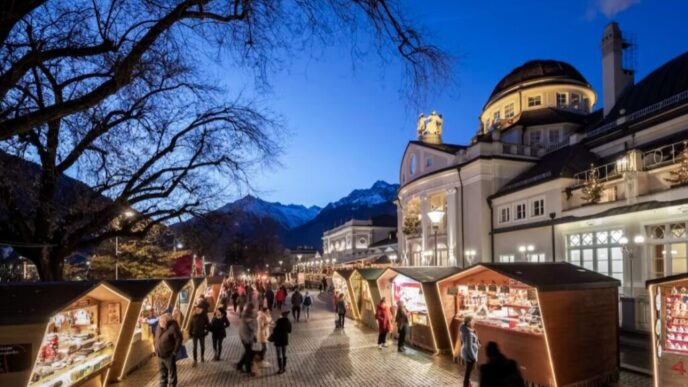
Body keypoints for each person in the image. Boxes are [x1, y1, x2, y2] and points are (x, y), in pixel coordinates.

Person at [154, 313, 182, 387]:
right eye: (160, 321)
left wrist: (174, 352)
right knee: (162, 371)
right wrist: (155, 348)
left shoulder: (173, 328)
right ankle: (163, 384)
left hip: (169, 355)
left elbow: (179, 340)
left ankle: (172, 384)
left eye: (163, 321)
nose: (161, 323)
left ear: (167, 321)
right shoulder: (158, 327)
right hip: (160, 355)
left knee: (171, 371)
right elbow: (156, 338)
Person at [460, 315, 480, 387]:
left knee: (468, 370)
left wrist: (476, 343)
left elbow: (470, 343)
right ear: (469, 322)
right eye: (473, 320)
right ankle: (466, 384)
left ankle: (467, 383)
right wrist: (474, 357)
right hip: (469, 354)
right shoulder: (469, 333)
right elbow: (469, 347)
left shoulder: (466, 329)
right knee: (468, 371)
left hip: (467, 353)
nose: (474, 322)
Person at [237, 303, 257, 375]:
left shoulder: (246, 315)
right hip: (246, 338)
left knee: (247, 352)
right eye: (253, 309)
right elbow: (251, 328)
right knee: (249, 353)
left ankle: (239, 365)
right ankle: (248, 369)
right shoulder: (248, 317)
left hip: (246, 337)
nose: (255, 311)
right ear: (251, 309)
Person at [272, 309, 292, 374]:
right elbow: (289, 331)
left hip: (278, 340)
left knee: (279, 354)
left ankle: (280, 369)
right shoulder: (288, 321)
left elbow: (274, 330)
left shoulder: (278, 321)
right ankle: (284, 367)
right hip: (284, 340)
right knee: (284, 354)